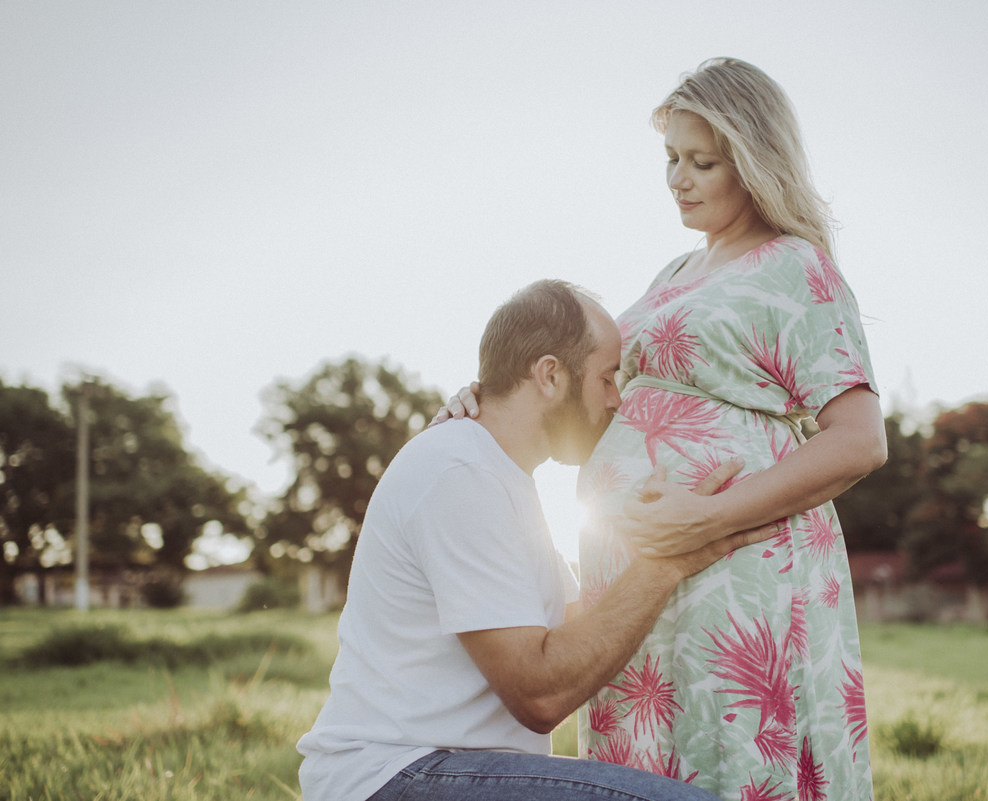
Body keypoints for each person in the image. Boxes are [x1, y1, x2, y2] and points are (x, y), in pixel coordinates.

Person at [437, 58, 887, 800]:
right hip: (637, 579)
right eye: (671, 158)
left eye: (701, 162)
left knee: (728, 752)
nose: (678, 179)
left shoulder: (796, 266)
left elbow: (858, 440)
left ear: (755, 161)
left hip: (734, 563)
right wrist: (493, 399)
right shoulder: (674, 271)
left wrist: (709, 516)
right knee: (641, 769)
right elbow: (593, 400)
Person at [296, 279, 774, 801]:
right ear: (549, 375)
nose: (617, 400)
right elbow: (541, 694)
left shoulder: (501, 479)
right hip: (394, 773)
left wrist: (663, 525)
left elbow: (580, 642)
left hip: (451, 767)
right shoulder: (460, 470)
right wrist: (663, 563)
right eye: (607, 378)